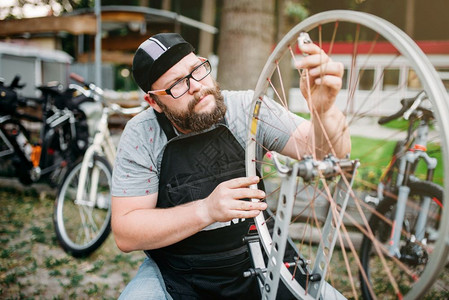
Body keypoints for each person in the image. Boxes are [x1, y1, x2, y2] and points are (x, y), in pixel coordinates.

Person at [111, 32, 350, 299]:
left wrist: (324, 112)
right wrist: (206, 210)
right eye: (178, 84)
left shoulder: (245, 108)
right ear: (154, 102)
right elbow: (126, 232)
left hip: (262, 254)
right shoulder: (142, 135)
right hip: (179, 273)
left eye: (197, 70)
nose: (196, 86)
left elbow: (325, 152)